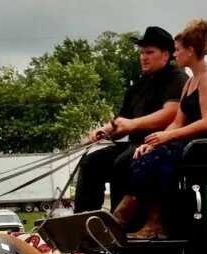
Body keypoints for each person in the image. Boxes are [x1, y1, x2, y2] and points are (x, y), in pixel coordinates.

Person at [115, 19, 207, 238]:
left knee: (158, 160)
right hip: (191, 140)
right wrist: (153, 141)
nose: (175, 54)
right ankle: (137, 219)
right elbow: (178, 122)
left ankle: (136, 219)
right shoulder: (190, 82)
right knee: (144, 155)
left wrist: (167, 138)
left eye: (177, 50)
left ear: (190, 51)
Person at [72, 26, 188, 215]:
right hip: (134, 145)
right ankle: (85, 219)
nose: (143, 57)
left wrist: (133, 124)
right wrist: (104, 130)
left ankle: (121, 225)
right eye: (141, 52)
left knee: (122, 163)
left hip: (161, 146)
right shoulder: (138, 85)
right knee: (92, 162)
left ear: (166, 55)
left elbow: (172, 113)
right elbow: (121, 119)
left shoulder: (177, 79)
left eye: (149, 52)